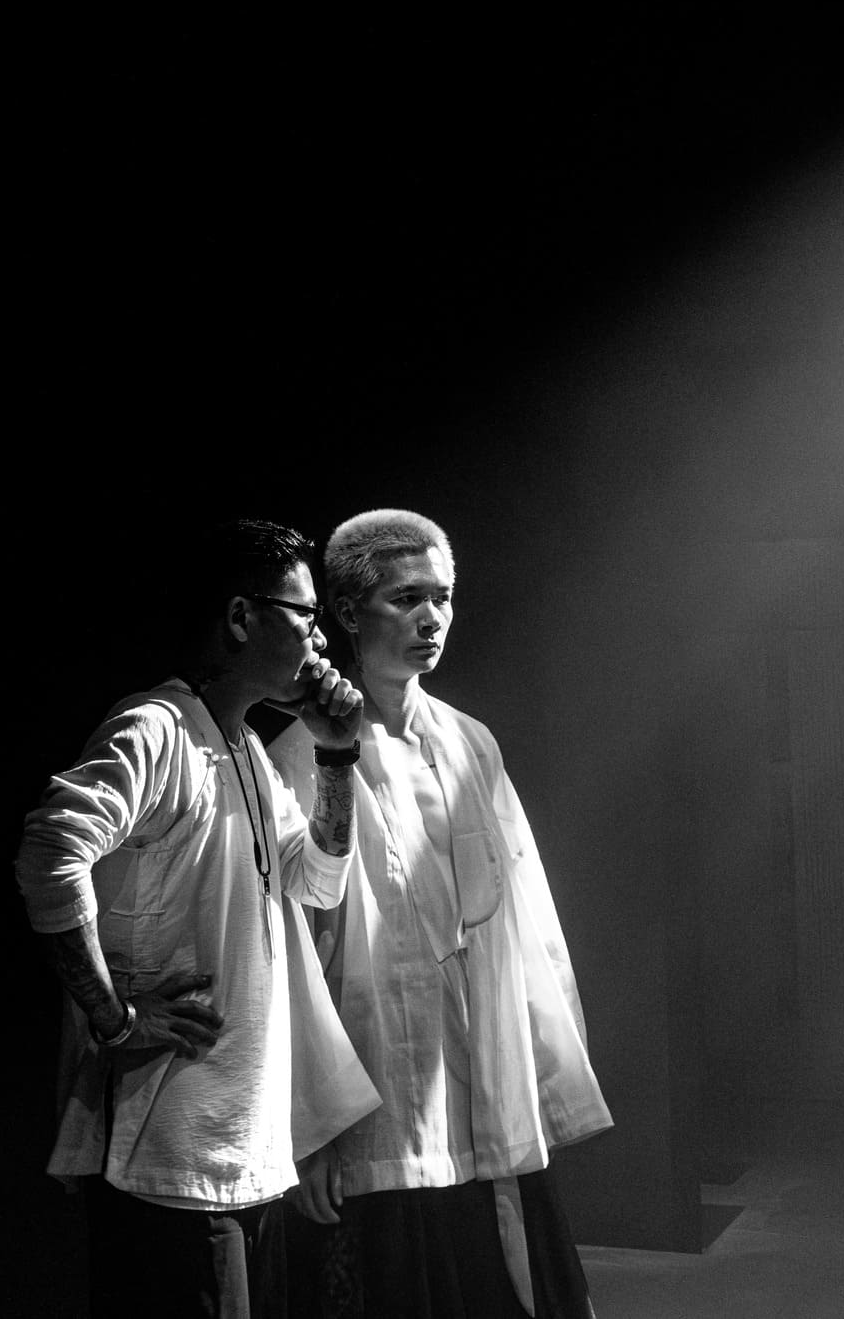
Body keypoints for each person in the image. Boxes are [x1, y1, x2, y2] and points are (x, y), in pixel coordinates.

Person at [14, 517, 380, 1319]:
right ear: (242, 617)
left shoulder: (245, 750)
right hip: (170, 1163)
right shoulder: (156, 728)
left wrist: (336, 753)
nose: (321, 641)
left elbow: (318, 881)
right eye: (306, 615)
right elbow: (50, 852)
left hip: (246, 1151)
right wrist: (114, 1016)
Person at [270, 508, 612, 1318]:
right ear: (349, 612)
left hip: (483, 1080)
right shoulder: (300, 754)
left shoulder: (470, 742)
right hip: (376, 1092)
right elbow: (291, 953)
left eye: (443, 597)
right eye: (407, 598)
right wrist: (307, 1126)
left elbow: (526, 914)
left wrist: (545, 1069)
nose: (432, 618)